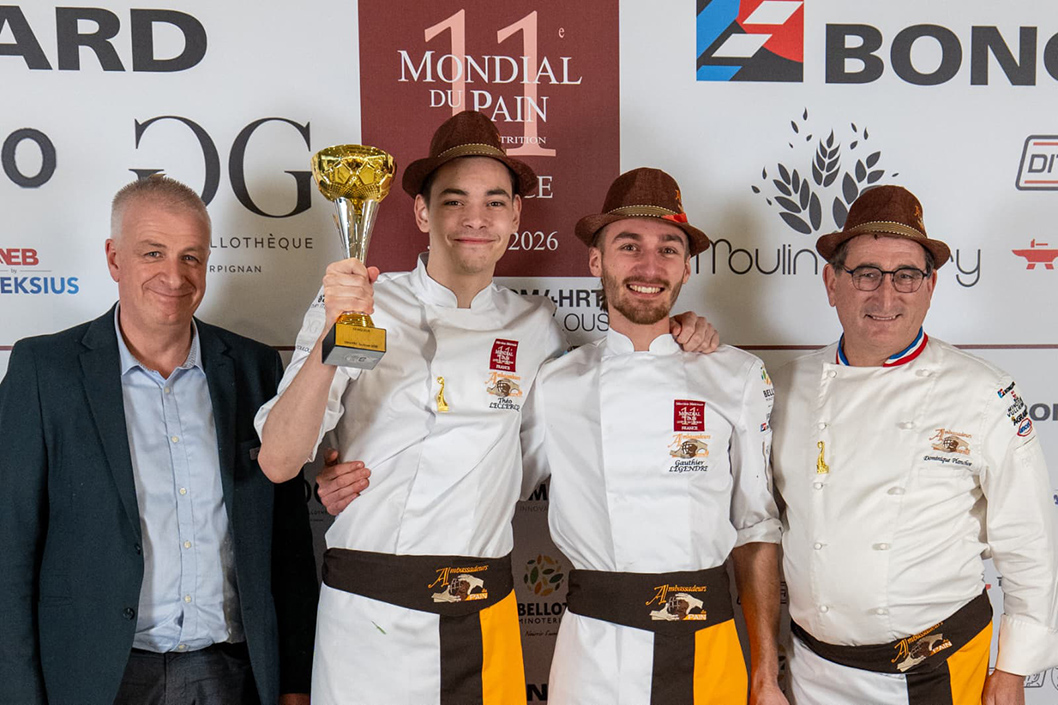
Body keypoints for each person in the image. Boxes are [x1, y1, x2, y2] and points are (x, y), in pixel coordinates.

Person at [254, 111, 716, 705]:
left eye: (495, 202)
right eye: (454, 201)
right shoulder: (360, 302)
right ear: (422, 212)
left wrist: (683, 332)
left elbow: (579, 421)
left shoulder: (537, 328)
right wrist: (333, 334)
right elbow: (277, 462)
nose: (476, 219)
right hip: (369, 617)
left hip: (486, 616)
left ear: (516, 217)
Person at [0, 176, 318, 705]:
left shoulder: (255, 368)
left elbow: (285, 542)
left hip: (232, 675)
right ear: (113, 258)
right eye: (153, 252)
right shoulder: (43, 371)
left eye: (192, 257)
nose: (174, 275)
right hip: (97, 677)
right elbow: (9, 547)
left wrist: (294, 683)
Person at [770, 184, 1058, 705]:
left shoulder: (983, 392)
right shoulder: (785, 387)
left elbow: (1029, 545)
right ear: (831, 282)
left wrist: (1014, 670)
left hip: (938, 668)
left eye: (906, 275)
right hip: (812, 668)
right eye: (866, 274)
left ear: (930, 286)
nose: (886, 296)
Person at [520, 168, 787, 705]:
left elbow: (756, 526)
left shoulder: (737, 375)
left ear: (685, 268)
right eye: (629, 246)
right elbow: (485, 481)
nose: (649, 265)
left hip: (707, 644)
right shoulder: (556, 382)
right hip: (592, 649)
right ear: (596, 261)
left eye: (668, 248)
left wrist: (764, 673)